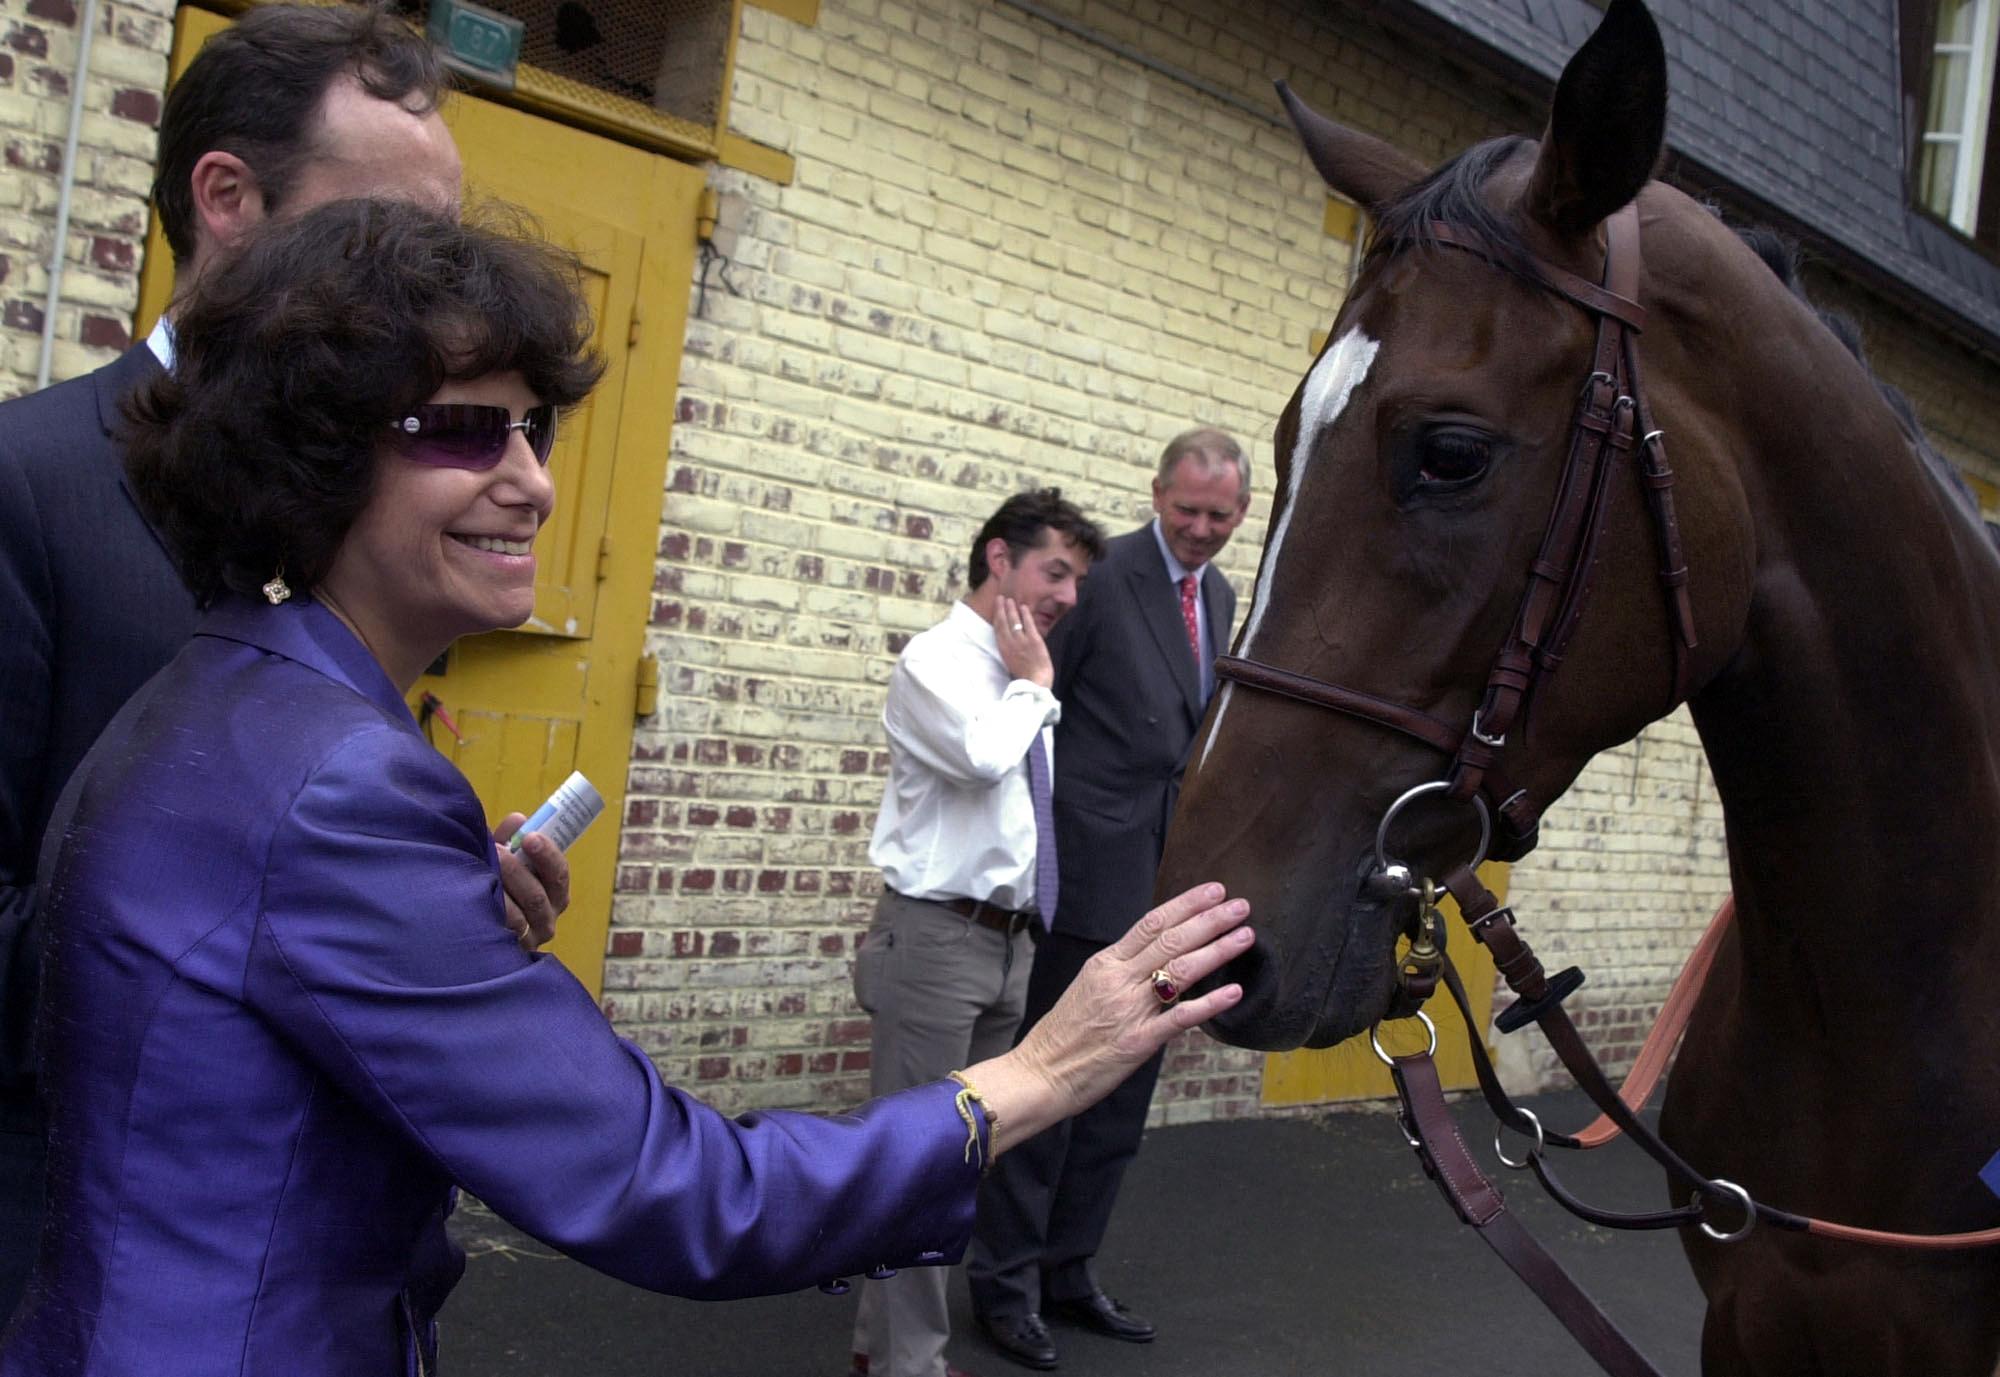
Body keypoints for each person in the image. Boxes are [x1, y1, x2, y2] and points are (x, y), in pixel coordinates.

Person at [0, 198, 1255, 1377]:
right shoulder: (336, 782)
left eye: (531, 426)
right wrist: (1042, 1069)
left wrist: (441, 925)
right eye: (458, 430)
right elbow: (683, 1193)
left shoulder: (218, 690)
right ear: (306, 458)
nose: (532, 480)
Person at [0, 3, 567, 1321]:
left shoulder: (383, 487)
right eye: (385, 234)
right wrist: (258, 933)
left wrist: (421, 901)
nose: (433, 283)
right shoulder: (26, 485)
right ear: (228, 198)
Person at [969, 429, 1251, 1370]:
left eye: (1222, 514)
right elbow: (1040, 710)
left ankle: (1067, 1270)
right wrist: (1047, 858)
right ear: (1157, 493)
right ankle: (1003, 1284)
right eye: (1189, 509)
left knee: (1122, 1096)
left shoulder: (1217, 595)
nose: (1203, 529)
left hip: (1165, 879)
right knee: (1051, 1086)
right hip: (1087, 877)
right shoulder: (1103, 577)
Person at [848, 490, 1108, 1377]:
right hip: (935, 941)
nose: (1069, 596)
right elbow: (981, 757)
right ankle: (907, 1364)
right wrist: (1035, 687)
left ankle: (880, 1344)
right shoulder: (940, 661)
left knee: (966, 1161)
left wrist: (1031, 683)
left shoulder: (1015, 664)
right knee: (919, 1162)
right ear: (998, 559)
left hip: (1009, 942)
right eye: (1055, 571)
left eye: (1077, 580)